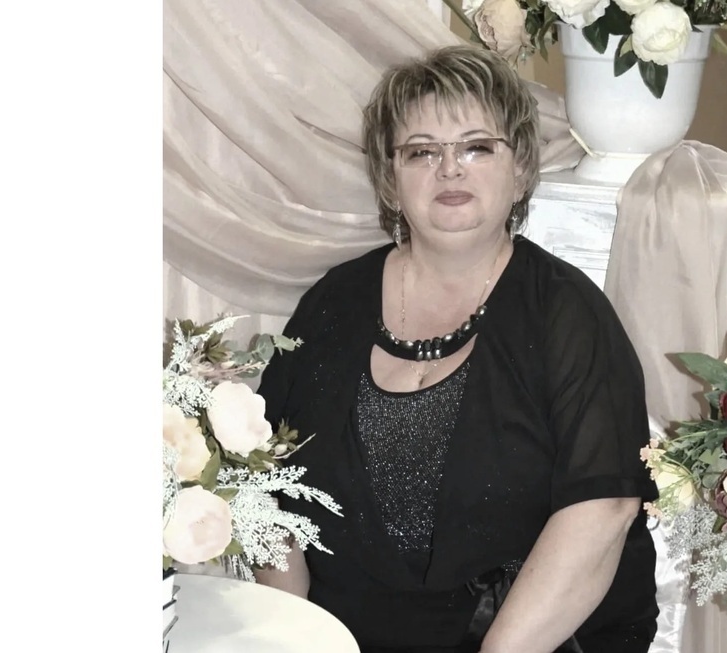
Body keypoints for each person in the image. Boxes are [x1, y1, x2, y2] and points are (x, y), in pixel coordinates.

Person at [255, 44, 659, 653]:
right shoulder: (332, 303)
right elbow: (266, 486)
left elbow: (603, 510)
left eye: (476, 147)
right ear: (390, 180)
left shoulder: (566, 313)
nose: (449, 170)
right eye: (422, 152)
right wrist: (295, 637)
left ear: (520, 170)